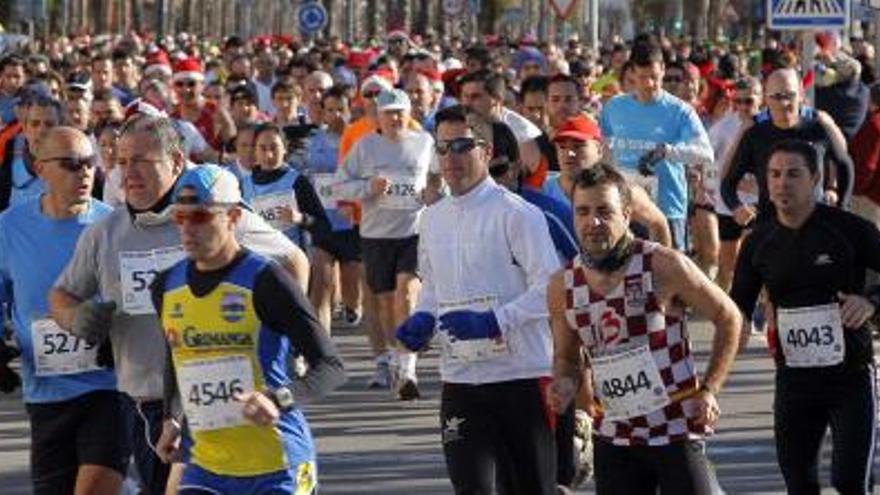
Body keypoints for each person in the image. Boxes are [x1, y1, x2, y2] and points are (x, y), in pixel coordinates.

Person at [48, 114, 310, 495]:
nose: (128, 172)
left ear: (175, 162)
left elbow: (293, 260)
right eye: (121, 162)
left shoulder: (212, 215)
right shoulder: (105, 233)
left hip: (224, 398)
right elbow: (61, 295)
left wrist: (281, 341)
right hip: (148, 402)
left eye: (141, 160)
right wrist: (75, 316)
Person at [546, 162, 741, 494]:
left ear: (626, 214)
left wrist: (709, 389)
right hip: (615, 435)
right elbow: (567, 357)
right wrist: (564, 383)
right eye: (582, 212)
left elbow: (729, 317)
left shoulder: (662, 264)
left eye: (604, 211)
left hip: (675, 429)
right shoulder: (563, 284)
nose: (592, 222)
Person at [396, 104, 560, 494]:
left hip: (520, 376)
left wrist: (495, 321)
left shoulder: (517, 215)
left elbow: (553, 289)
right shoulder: (432, 218)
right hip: (461, 380)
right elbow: (434, 288)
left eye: (462, 146)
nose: (450, 157)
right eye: (442, 147)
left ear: (486, 152)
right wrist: (424, 320)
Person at [152, 165, 345, 494]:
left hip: (277, 464)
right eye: (179, 217)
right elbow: (177, 355)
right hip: (207, 465)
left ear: (234, 217)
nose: (187, 229)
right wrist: (171, 416)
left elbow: (330, 367)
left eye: (200, 217)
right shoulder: (166, 285)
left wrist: (278, 399)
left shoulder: (266, 280)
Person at [731, 139, 880, 494]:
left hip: (850, 376)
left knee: (848, 481)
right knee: (799, 484)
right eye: (775, 174)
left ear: (814, 178)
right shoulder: (759, 240)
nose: (782, 183)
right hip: (794, 380)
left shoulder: (849, 230)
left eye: (793, 174)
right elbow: (737, 305)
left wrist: (870, 301)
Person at [0, 127, 127, 495]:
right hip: (46, 392)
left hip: (109, 386)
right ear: (41, 169)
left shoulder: (113, 226)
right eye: (71, 164)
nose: (84, 172)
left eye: (90, 163)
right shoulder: (9, 227)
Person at [337, 89, 433, 399]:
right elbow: (340, 184)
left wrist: (434, 194)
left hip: (414, 231)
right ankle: (394, 354)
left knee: (406, 292)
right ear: (377, 116)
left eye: (399, 112)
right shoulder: (365, 147)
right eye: (388, 112)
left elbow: (438, 177)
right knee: (384, 303)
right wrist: (368, 187)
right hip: (376, 235)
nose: (394, 118)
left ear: (409, 114)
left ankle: (408, 369)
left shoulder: (424, 143)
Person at [600, 36, 714, 251]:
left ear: (662, 69)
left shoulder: (680, 111)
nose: (649, 84)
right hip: (624, 209)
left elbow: (705, 154)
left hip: (667, 209)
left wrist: (669, 152)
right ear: (632, 73)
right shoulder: (614, 107)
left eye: (654, 76)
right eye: (642, 77)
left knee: (669, 279)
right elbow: (605, 153)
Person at [721, 67, 854, 225]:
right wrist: (736, 208)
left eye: (789, 95)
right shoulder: (755, 134)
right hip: (771, 225)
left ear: (801, 96)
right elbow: (728, 183)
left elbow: (845, 165)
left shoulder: (819, 128)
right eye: (776, 96)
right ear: (766, 99)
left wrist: (842, 206)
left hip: (815, 223)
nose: (783, 103)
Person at [304, 86, 363, 331]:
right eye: (330, 110)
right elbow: (305, 175)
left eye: (341, 109)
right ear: (322, 112)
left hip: (351, 220)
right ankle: (322, 344)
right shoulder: (313, 141)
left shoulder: (360, 141)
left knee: (351, 282)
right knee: (322, 281)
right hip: (322, 219)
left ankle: (353, 306)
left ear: (350, 110)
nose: (336, 115)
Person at [242, 123, 330, 249]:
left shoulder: (297, 182)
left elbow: (323, 226)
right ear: (255, 151)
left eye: (274, 148)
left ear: (285, 149)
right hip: (258, 260)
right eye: (262, 148)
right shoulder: (243, 185)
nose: (269, 155)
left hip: (291, 260)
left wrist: (301, 218)